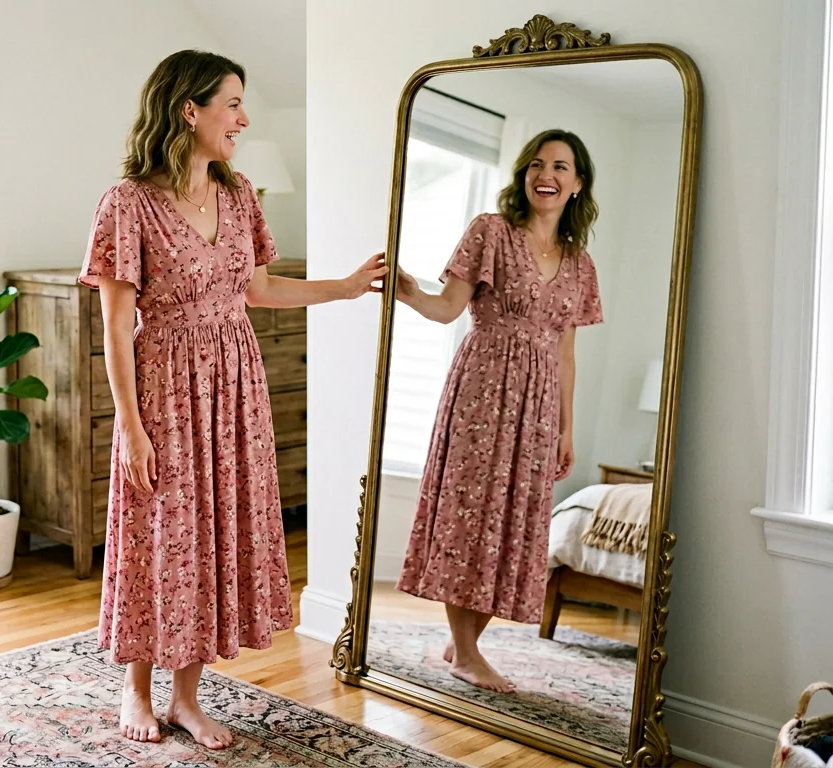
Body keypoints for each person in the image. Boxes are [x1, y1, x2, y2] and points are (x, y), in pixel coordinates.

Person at [78, 49, 386, 749]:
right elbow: (117, 327)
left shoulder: (240, 193)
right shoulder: (128, 203)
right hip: (165, 387)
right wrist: (131, 426)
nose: (244, 119)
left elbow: (259, 289)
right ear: (190, 110)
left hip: (235, 385)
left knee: (211, 534)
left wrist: (342, 288)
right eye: (235, 104)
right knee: (161, 533)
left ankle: (186, 698)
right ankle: (136, 690)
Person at [392, 129, 604, 694]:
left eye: (560, 167)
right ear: (523, 174)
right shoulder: (490, 231)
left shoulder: (581, 265)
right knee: (470, 513)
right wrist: (410, 292)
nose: (546, 175)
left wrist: (566, 428)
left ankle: (463, 643)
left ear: (577, 184)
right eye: (537, 164)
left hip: (538, 404)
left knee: (514, 522)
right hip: (482, 390)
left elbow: (566, 353)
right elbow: (448, 308)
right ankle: (466, 653)